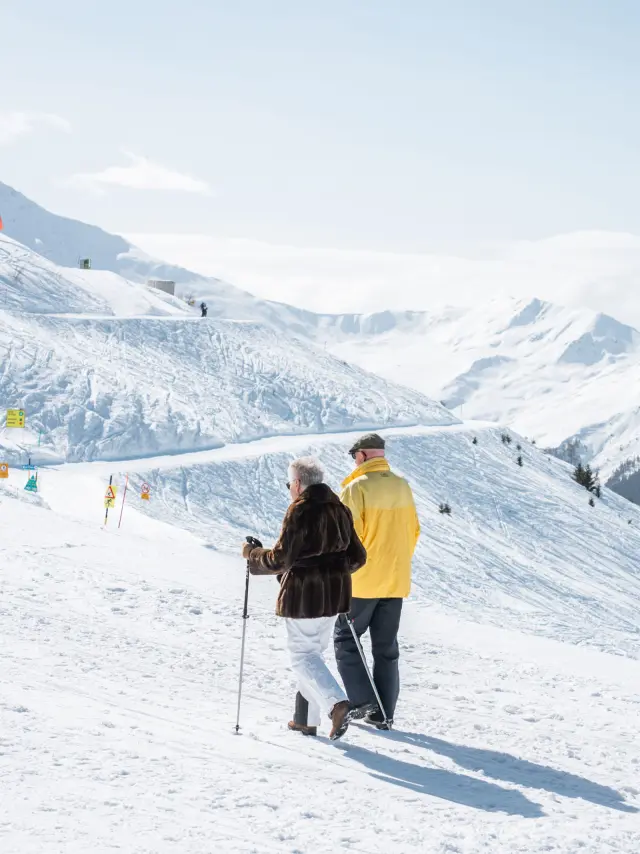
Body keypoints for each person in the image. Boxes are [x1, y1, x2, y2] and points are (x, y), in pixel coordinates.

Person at [242, 457, 367, 740]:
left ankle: (337, 704)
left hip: (304, 598)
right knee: (314, 655)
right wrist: (332, 572)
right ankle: (306, 720)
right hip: (334, 597)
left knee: (302, 658)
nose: (289, 489)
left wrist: (252, 555)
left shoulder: (300, 510)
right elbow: (358, 557)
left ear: (298, 484)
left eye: (289, 484)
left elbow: (280, 559)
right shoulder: (340, 509)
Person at [334, 433, 420, 729]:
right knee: (386, 647)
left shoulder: (356, 489)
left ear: (362, 456)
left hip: (362, 582)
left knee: (346, 640)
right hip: (395, 581)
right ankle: (385, 714)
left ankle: (363, 701)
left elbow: (344, 539)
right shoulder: (402, 486)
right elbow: (414, 531)